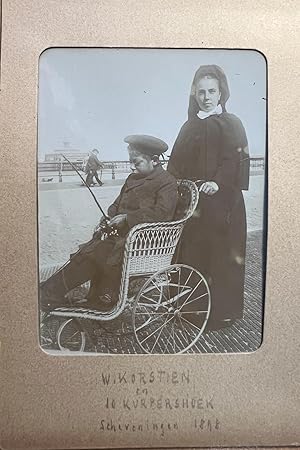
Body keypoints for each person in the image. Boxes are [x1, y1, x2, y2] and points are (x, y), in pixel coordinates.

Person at [40, 135, 178, 312]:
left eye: (136, 162)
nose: (131, 167)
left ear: (155, 160)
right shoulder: (132, 178)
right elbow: (117, 204)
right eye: (130, 162)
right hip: (123, 237)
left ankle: (73, 295)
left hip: (144, 241)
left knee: (98, 253)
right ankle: (51, 291)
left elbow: (162, 213)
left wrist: (127, 218)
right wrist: (108, 216)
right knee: (87, 251)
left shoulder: (166, 182)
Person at [167, 64, 250, 330]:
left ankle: (221, 314)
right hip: (194, 204)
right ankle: (192, 310)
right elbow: (175, 164)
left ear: (220, 93)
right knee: (193, 254)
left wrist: (218, 182)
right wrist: (176, 185)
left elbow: (235, 158)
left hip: (224, 205)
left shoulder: (232, 123)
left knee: (221, 257)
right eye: (201, 92)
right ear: (195, 94)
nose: (206, 97)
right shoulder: (188, 126)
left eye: (211, 91)